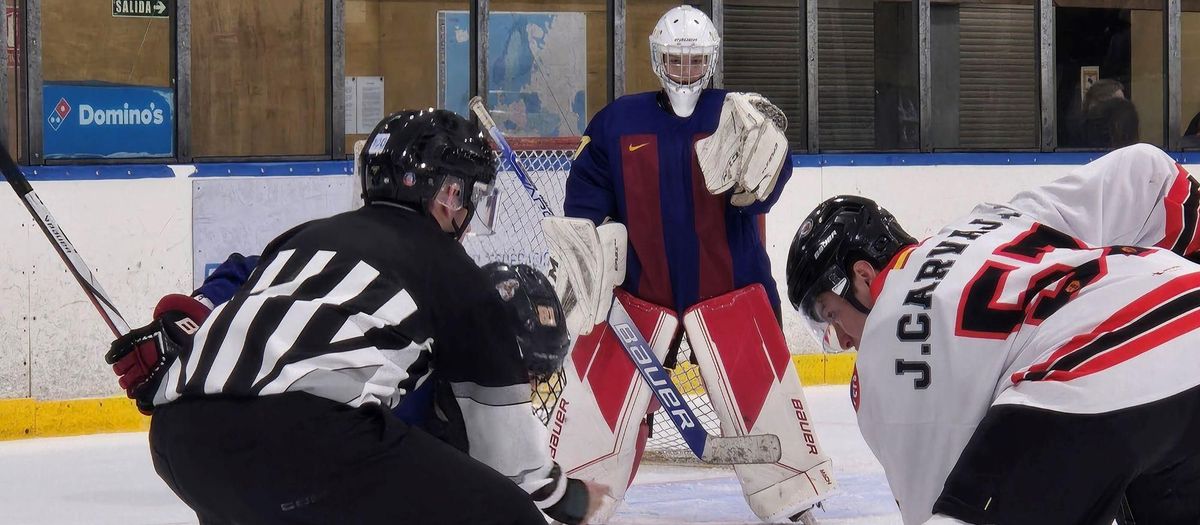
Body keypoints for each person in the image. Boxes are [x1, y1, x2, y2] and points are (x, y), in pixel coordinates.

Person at [107, 109, 608, 524]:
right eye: (468, 198)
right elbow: (511, 461)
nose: (467, 217)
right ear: (450, 194)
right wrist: (571, 498)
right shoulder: (453, 272)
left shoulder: (305, 236)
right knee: (507, 514)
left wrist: (189, 328)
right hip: (299, 442)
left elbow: (236, 298)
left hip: (180, 443)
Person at [786, 143, 1200, 524]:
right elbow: (1148, 173)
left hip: (1085, 371)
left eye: (829, 314)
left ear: (862, 275)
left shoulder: (879, 355)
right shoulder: (994, 218)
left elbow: (935, 501)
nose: (839, 341)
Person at [547, 4, 835, 523]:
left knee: (760, 394)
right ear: (658, 60)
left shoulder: (737, 115)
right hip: (639, 294)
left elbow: (771, 178)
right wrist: (588, 245)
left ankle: (792, 498)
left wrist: (766, 176)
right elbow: (587, 196)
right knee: (611, 402)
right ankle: (578, 497)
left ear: (711, 61)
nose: (685, 71)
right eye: (675, 61)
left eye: (694, 61)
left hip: (730, 291)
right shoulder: (618, 121)